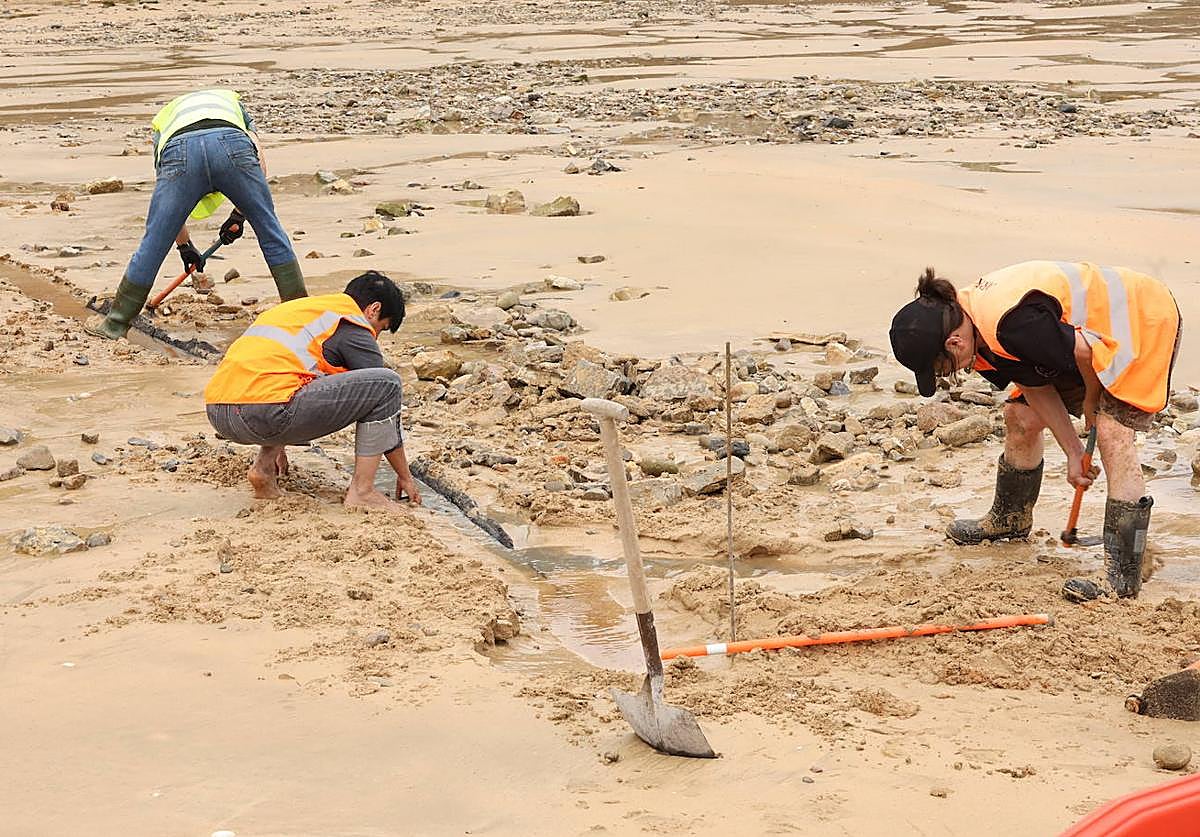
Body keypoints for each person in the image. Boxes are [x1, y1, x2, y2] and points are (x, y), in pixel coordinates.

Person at [889, 260, 1182, 602]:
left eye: (941, 367)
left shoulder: (1011, 325)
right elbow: (1034, 385)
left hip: (1142, 320)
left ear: (954, 343)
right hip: (1090, 339)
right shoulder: (977, 332)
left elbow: (1087, 353)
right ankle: (1010, 519)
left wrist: (1091, 400)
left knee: (1111, 431)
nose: (945, 376)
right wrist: (1074, 453)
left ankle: (1123, 576)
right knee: (1019, 416)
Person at [87, 88, 307, 340]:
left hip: (180, 149)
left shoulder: (165, 120)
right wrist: (239, 214)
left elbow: (168, 210)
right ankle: (300, 319)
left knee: (154, 242)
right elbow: (258, 159)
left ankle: (114, 325)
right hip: (231, 142)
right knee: (270, 231)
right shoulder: (233, 103)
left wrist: (184, 246)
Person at [204, 271, 421, 512]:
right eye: (381, 328)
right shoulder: (350, 323)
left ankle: (263, 470)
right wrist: (405, 475)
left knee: (301, 378)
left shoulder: (307, 311)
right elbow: (384, 404)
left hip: (219, 412)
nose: (375, 338)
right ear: (373, 309)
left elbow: (280, 368)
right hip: (265, 413)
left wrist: (279, 443)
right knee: (388, 383)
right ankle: (362, 491)